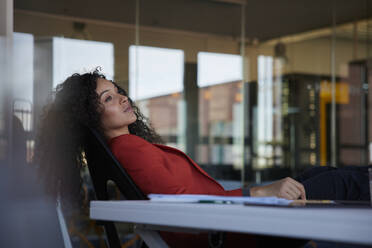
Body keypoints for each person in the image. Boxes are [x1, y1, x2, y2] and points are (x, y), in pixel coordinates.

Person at [34, 70, 370, 247]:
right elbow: (181, 205)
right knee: (342, 182)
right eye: (108, 98)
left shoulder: (126, 148)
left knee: (319, 174)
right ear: (91, 117)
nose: (122, 98)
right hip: (234, 232)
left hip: (233, 224)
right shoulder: (129, 149)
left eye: (118, 91)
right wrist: (261, 192)